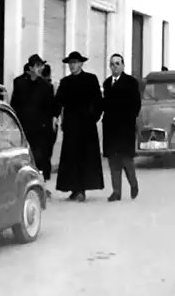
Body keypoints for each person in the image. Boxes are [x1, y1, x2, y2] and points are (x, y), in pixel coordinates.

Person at [54, 51, 104, 202]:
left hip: (87, 126)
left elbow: (99, 101)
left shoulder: (91, 79)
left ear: (81, 64)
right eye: (70, 63)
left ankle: (82, 189)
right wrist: (55, 116)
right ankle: (74, 189)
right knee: (71, 158)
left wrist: (93, 117)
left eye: (75, 63)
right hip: (71, 127)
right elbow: (58, 102)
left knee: (85, 158)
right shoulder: (65, 82)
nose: (72, 66)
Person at [10, 54, 56, 189]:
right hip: (25, 127)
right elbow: (14, 105)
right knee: (26, 158)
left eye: (41, 66)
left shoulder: (46, 86)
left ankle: (42, 186)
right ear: (30, 67)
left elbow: (51, 108)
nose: (40, 68)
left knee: (41, 158)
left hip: (42, 129)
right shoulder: (19, 83)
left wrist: (51, 124)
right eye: (37, 66)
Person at [102, 54, 141, 202]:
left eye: (117, 63)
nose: (115, 66)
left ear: (123, 65)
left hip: (125, 127)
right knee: (113, 161)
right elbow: (104, 104)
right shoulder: (107, 83)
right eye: (112, 64)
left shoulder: (131, 82)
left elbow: (136, 104)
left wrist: (131, 120)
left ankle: (133, 184)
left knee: (126, 159)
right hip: (110, 128)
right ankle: (116, 191)